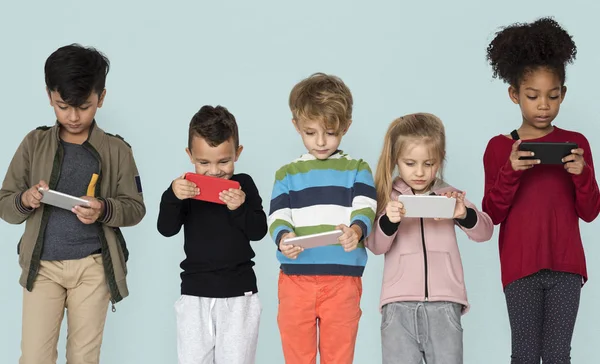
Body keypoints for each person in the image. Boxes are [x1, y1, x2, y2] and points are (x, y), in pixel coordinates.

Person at [0, 43, 146, 364]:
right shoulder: (33, 143)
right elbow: (5, 204)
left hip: (93, 268)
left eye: (84, 106)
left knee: (84, 358)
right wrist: (25, 199)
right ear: (50, 96)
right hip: (43, 269)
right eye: (63, 106)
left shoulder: (117, 150)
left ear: (101, 98)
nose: (74, 116)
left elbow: (135, 208)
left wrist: (103, 208)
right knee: (34, 357)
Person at [482, 17, 600, 363]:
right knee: (524, 355)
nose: (543, 105)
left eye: (552, 96)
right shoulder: (499, 148)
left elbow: (591, 211)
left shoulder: (576, 144)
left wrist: (581, 174)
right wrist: (511, 171)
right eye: (533, 96)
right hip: (520, 268)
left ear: (563, 94)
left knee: (558, 355)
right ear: (514, 94)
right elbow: (492, 213)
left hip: (566, 267)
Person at [366, 112, 493, 364]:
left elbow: (485, 232)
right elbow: (376, 246)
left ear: (440, 160)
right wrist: (389, 221)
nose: (420, 172)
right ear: (396, 161)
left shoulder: (450, 195)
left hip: (445, 304)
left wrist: (463, 213)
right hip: (398, 305)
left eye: (429, 163)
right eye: (410, 163)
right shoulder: (388, 199)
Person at [267, 72, 377, 364]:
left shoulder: (357, 168)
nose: (320, 141)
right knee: (297, 356)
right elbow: (278, 216)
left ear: (346, 127)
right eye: (310, 132)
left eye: (330, 132)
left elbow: (366, 207)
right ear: (296, 126)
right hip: (295, 280)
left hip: (342, 281)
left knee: (339, 356)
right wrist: (284, 238)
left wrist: (355, 231)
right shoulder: (287, 173)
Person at [157, 105, 267, 364]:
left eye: (224, 161)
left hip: (240, 296)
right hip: (195, 295)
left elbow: (259, 231)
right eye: (203, 162)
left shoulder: (245, 185)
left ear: (237, 153)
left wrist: (239, 207)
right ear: (190, 155)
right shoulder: (186, 188)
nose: (214, 171)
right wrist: (172, 196)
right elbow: (166, 228)